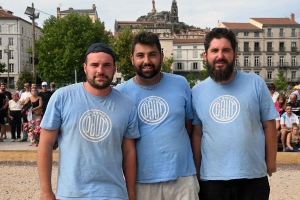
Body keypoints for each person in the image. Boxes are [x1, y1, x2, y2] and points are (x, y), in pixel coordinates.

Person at [37, 43, 140, 200]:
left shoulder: (127, 104)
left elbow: (129, 152)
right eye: (94, 65)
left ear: (114, 69)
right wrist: (46, 191)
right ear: (85, 68)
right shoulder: (62, 97)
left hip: (113, 194)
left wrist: (131, 193)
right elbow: (45, 143)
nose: (100, 70)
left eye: (106, 65)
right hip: (71, 194)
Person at [191, 28, 278, 200]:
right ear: (205, 55)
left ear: (235, 54)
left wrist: (271, 162)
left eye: (226, 50)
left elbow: (269, 125)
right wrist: (197, 169)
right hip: (212, 178)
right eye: (214, 50)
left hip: (252, 175)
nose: (220, 56)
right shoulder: (197, 91)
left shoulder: (256, 83)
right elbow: (197, 134)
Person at [116, 31, 199, 200]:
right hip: (141, 182)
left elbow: (188, 127)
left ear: (161, 56)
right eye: (140, 55)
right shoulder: (120, 94)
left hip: (182, 179)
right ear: (132, 58)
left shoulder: (180, 84)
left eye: (152, 55)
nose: (147, 61)